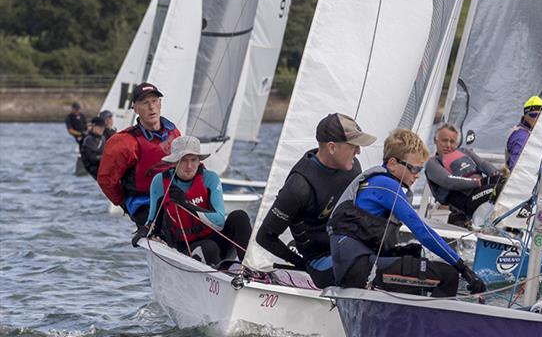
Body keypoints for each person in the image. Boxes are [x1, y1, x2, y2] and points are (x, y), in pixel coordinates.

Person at [328, 129, 486, 298]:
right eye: (414, 168)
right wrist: (463, 268)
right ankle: (426, 323)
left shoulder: (376, 181)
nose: (417, 175)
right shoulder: (386, 185)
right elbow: (422, 232)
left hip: (354, 266)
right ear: (392, 164)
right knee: (448, 275)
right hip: (360, 269)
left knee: (417, 259)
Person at [255, 113, 376, 288]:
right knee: (361, 268)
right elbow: (265, 237)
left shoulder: (353, 167)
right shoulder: (299, 186)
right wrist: (300, 264)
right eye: (353, 146)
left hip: (348, 249)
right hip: (319, 262)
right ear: (332, 147)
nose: (358, 151)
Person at [137, 136, 252, 268]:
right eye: (184, 160)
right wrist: (143, 231)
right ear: (174, 162)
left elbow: (219, 222)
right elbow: (152, 223)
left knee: (240, 216)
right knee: (209, 247)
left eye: (193, 160)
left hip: (217, 241)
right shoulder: (160, 182)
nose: (189, 166)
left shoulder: (210, 179)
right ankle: (222, 273)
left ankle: (251, 270)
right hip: (185, 248)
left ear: (199, 161)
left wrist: (187, 204)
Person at [97, 83, 181, 225]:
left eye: (154, 101)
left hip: (173, 198)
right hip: (143, 203)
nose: (151, 107)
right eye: (144, 103)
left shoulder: (173, 132)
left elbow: (187, 161)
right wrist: (123, 203)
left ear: (160, 103)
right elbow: (106, 179)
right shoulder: (125, 142)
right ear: (135, 108)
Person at [425, 123, 504, 227]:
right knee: (499, 189)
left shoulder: (464, 152)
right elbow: (448, 180)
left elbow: (482, 164)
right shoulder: (433, 163)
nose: (448, 145)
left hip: (481, 192)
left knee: (506, 184)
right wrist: (480, 182)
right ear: (436, 140)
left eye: (452, 142)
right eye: (444, 140)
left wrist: (497, 176)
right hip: (466, 201)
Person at [505, 95, 542, 171]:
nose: (537, 119)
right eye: (534, 115)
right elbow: (516, 169)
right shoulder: (522, 137)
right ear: (525, 116)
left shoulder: (533, 132)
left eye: (541, 115)